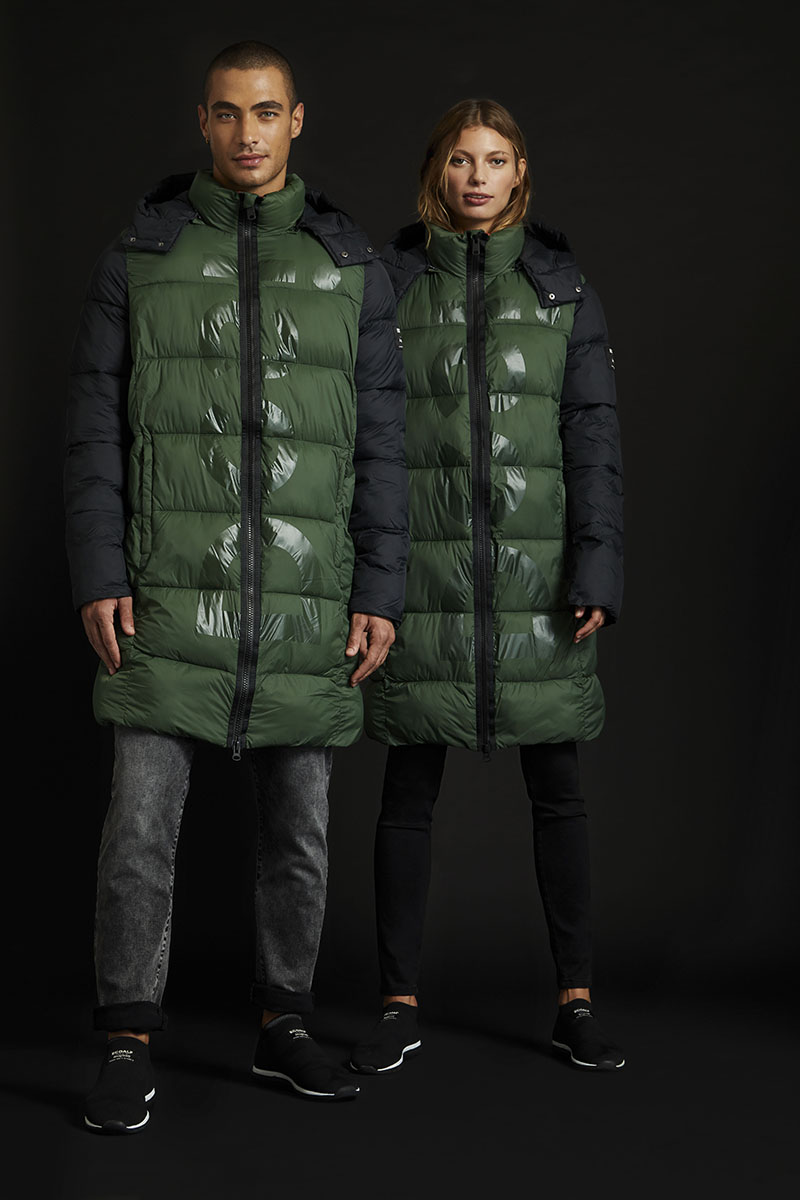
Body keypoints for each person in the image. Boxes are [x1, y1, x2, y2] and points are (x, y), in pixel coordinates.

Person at [65, 40, 408, 1132]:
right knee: (138, 833)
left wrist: (380, 589)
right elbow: (93, 429)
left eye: (265, 112)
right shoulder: (141, 256)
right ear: (204, 122)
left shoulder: (351, 266)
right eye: (227, 112)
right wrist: (98, 571)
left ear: (296, 119)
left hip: (308, 600)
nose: (246, 132)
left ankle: (284, 1024)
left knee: (297, 835)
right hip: (166, 592)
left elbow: (383, 448)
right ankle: (127, 1041)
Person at [349, 99, 624, 1075]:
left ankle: (575, 1001)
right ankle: (397, 1002)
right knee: (406, 791)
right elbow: (362, 437)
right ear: (438, 170)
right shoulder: (388, 284)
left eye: (495, 159)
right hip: (420, 576)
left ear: (518, 174)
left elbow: (592, 438)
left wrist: (596, 564)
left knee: (558, 791)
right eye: (461, 160)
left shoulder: (561, 291)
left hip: (538, 579)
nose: (476, 177)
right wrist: (369, 576)